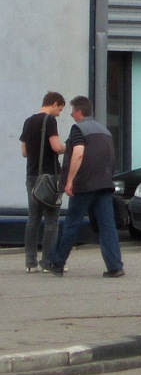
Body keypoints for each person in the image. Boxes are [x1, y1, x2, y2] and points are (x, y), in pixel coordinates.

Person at [45, 95, 124, 278]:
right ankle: (115, 266)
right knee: (107, 226)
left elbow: (78, 154)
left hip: (85, 184)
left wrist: (70, 180)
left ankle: (57, 263)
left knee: (72, 223)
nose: (71, 115)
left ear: (79, 112)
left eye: (72, 111)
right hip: (105, 184)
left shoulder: (78, 129)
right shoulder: (105, 131)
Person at [19, 92, 66, 272]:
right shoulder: (49, 121)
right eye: (59, 109)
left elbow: (24, 152)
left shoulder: (28, 121)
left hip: (31, 175)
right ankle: (47, 262)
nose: (59, 114)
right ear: (54, 104)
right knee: (52, 220)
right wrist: (68, 147)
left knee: (33, 219)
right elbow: (56, 146)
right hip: (50, 176)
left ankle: (30, 263)